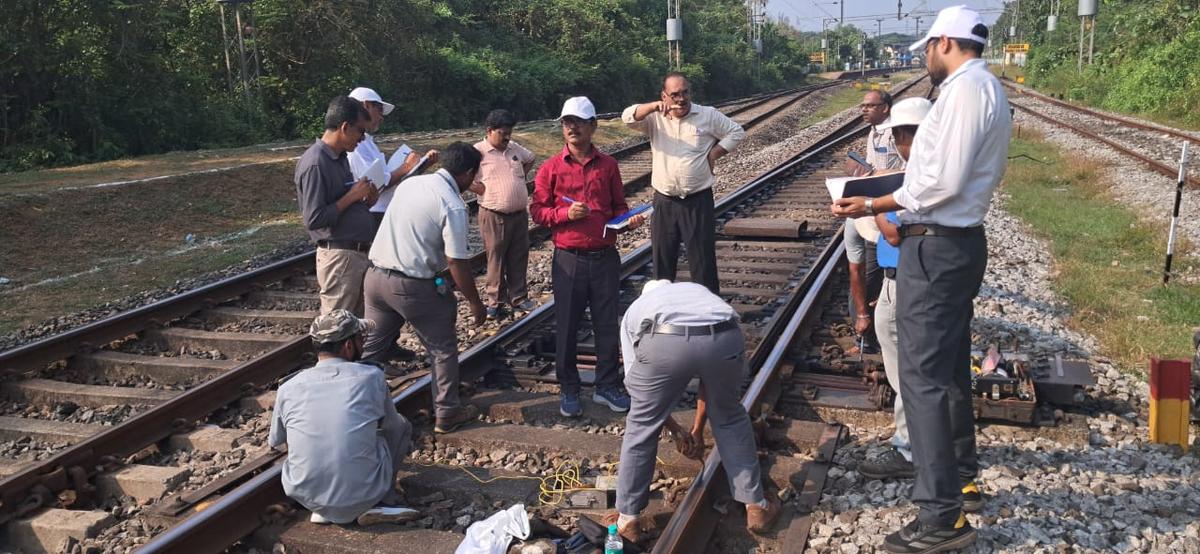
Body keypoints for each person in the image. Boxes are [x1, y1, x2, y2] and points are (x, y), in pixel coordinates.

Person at [832, 6, 1009, 552]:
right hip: (950, 244)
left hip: (936, 247)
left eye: (929, 47)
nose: (927, 57)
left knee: (924, 379)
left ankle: (941, 517)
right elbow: (940, 174)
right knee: (948, 370)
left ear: (945, 42)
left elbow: (942, 182)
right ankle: (962, 479)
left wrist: (875, 201)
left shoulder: (965, 90)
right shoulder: (981, 87)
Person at [604, 280, 780, 543]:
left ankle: (628, 520)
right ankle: (757, 507)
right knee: (730, 417)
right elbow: (708, 379)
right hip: (725, 336)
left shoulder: (636, 311)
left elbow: (641, 397)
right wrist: (695, 429)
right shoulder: (697, 292)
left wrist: (676, 429)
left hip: (665, 340)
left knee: (641, 426)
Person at [531, 97, 644, 418]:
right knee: (567, 325)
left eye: (579, 122)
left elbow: (619, 206)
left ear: (593, 125)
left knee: (606, 324)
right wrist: (564, 214)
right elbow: (537, 211)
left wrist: (628, 220)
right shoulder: (550, 168)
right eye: (567, 122)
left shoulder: (608, 166)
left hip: (605, 256)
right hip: (569, 258)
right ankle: (569, 388)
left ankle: (606, 385)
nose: (572, 128)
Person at [362, 142, 486, 434]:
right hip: (412, 286)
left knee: (370, 353)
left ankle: (358, 413)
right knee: (442, 349)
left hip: (375, 279)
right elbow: (456, 262)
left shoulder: (411, 184)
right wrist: (474, 302)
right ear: (468, 173)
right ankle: (448, 412)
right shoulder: (452, 204)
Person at [269, 310, 419, 526]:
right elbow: (391, 426)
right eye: (360, 338)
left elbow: (276, 440)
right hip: (365, 493)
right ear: (348, 346)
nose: (363, 343)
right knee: (401, 425)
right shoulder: (371, 376)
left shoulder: (288, 386)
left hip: (305, 495)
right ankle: (383, 500)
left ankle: (324, 507)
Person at [853, 97, 932, 482]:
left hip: (908, 280)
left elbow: (896, 232)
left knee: (909, 369)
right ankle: (915, 441)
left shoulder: (925, 173)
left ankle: (912, 448)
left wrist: (873, 207)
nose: (901, 143)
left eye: (902, 135)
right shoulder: (920, 169)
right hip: (897, 278)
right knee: (905, 364)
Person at [622, 73, 745, 294]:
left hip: (698, 200)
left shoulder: (707, 115)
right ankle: (662, 307)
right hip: (664, 201)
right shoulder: (655, 119)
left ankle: (707, 308)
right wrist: (653, 107)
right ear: (664, 96)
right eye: (675, 94)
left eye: (685, 92)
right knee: (662, 261)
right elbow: (627, 117)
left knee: (702, 261)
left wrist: (715, 153)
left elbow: (736, 132)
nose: (681, 99)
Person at [295, 95, 378, 316]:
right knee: (336, 325)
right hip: (339, 258)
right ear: (344, 127)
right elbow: (314, 219)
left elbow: (341, 203)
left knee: (357, 324)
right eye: (360, 131)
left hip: (355, 254)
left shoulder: (340, 158)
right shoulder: (316, 163)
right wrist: (352, 196)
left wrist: (366, 200)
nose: (363, 138)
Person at [844, 90, 902, 352]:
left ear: (885, 107)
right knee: (855, 270)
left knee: (871, 277)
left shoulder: (897, 133)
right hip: (862, 212)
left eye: (870, 105)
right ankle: (861, 331)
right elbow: (870, 166)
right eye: (863, 105)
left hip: (881, 213)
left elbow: (907, 171)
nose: (864, 109)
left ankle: (869, 339)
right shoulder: (873, 132)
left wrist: (878, 173)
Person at [470, 109, 538, 320]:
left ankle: (518, 297)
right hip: (494, 213)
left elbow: (531, 158)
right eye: (502, 133)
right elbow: (461, 175)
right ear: (489, 130)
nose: (507, 137)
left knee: (519, 255)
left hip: (518, 213)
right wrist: (479, 189)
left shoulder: (513, 148)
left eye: (509, 132)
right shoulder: (477, 152)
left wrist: (519, 178)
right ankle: (495, 301)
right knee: (496, 258)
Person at [346, 87, 440, 229]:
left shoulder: (367, 142)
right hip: (373, 214)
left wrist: (422, 165)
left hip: (380, 211)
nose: (381, 117)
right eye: (379, 110)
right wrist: (407, 166)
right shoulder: (358, 145)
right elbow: (375, 183)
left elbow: (384, 180)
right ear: (366, 105)